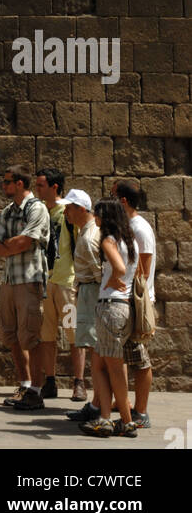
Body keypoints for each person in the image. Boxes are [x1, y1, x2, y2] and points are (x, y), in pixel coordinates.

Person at [0, 164, 50, 412]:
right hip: (9, 279)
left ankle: (36, 389)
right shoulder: (7, 210)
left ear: (19, 184)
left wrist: (9, 246)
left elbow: (26, 241)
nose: (3, 186)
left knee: (31, 336)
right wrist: (9, 246)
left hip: (29, 277)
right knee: (10, 333)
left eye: (7, 182)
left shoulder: (37, 208)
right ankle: (25, 384)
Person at [79, 198, 139, 439]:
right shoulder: (129, 241)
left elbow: (121, 269)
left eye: (98, 215)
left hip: (110, 308)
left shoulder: (108, 240)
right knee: (102, 365)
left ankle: (125, 421)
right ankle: (105, 417)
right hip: (124, 308)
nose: (95, 218)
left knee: (112, 368)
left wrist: (114, 278)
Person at [35, 168, 82, 400]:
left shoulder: (68, 211)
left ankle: (79, 382)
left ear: (55, 187)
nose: (37, 190)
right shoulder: (41, 211)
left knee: (74, 333)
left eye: (41, 185)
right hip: (47, 281)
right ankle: (50, 380)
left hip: (66, 281)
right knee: (47, 335)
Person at [113, 179, 155, 430]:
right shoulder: (129, 226)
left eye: (112, 196)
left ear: (123, 201)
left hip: (136, 301)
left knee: (140, 359)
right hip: (129, 299)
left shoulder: (139, 228)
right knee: (127, 357)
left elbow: (145, 269)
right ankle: (126, 405)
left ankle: (141, 412)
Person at [62, 190, 104, 426]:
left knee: (97, 351)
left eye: (69, 207)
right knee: (94, 350)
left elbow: (99, 272)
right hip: (88, 291)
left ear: (81, 208)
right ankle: (97, 405)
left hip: (92, 293)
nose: (66, 211)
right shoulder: (85, 232)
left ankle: (99, 407)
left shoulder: (89, 236)